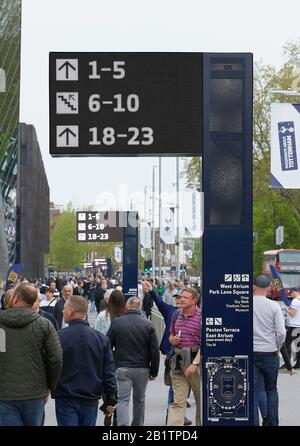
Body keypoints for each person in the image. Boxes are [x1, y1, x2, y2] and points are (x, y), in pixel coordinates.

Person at [0, 284, 63, 426]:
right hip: (35, 392)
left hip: (4, 393)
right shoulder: (44, 324)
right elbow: (56, 358)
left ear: (15, 298)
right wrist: (50, 386)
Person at [52, 296, 117, 426]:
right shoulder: (101, 340)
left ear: (71, 311)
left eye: (64, 309)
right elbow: (108, 372)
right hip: (90, 397)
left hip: (66, 396)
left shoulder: (59, 337)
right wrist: (111, 399)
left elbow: (52, 365)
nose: (62, 311)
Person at [107, 297, 160, 426]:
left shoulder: (117, 323)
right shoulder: (148, 325)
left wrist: (113, 361)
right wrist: (154, 371)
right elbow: (154, 351)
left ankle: (123, 426)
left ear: (126, 307)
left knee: (123, 399)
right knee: (140, 399)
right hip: (142, 369)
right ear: (140, 307)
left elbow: (107, 345)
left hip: (122, 368)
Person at [253, 275, 286, 426]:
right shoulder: (274, 306)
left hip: (252, 351)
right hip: (270, 352)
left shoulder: (247, 303)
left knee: (253, 391)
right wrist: (277, 346)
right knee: (271, 389)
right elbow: (281, 332)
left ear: (253, 286)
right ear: (269, 287)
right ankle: (272, 423)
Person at [167, 287, 201, 426]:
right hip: (179, 360)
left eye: (185, 297)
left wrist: (195, 364)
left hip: (195, 362)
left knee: (201, 401)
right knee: (178, 401)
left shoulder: (201, 317)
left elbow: (206, 343)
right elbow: (170, 335)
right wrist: (172, 340)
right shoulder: (176, 314)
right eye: (181, 297)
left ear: (194, 300)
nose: (181, 299)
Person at [285, 287, 300, 368]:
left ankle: (287, 363)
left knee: (286, 344)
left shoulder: (295, 301)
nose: (290, 295)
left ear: (294, 292)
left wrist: (287, 309)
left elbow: (292, 313)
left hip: (293, 326)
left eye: (290, 293)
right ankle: (298, 364)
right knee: (298, 345)